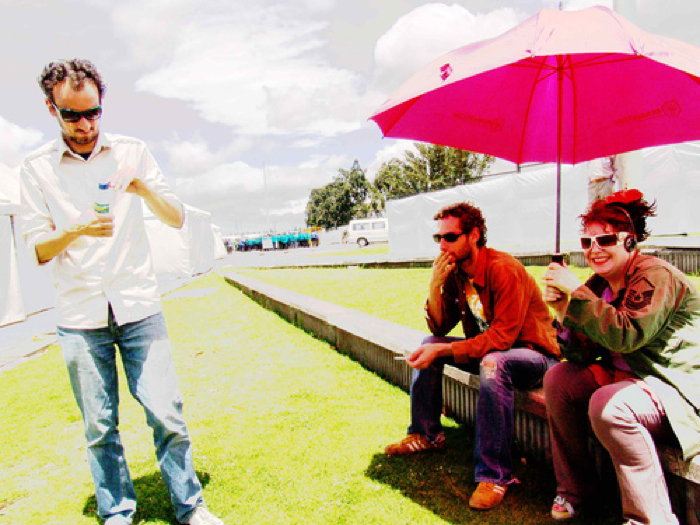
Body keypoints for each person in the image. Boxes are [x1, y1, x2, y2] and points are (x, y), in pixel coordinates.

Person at [19, 59, 224, 525]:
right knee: (99, 426)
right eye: (72, 115)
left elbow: (176, 217)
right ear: (51, 109)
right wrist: (75, 229)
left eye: (93, 112)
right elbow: (36, 249)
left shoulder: (133, 151)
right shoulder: (35, 169)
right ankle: (116, 513)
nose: (85, 125)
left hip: (138, 304)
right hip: (79, 314)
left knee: (166, 411)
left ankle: (190, 506)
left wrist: (142, 188)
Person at [384, 202, 561, 510]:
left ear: (474, 235)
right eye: (438, 238)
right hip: (495, 355)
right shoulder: (457, 274)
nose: (442, 245)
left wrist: (444, 349)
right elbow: (440, 326)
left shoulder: (503, 269)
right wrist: (435, 284)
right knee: (430, 342)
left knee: (493, 361)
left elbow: (502, 339)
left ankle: (495, 475)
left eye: (450, 237)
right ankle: (426, 434)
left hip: (536, 358)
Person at [542, 189, 700, 524]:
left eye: (606, 240)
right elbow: (579, 354)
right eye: (587, 242)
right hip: (628, 381)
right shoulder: (600, 285)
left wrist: (577, 293)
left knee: (609, 405)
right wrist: (562, 309)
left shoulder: (656, 276)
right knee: (558, 378)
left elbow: (626, 336)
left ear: (629, 241)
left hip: (674, 389)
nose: (594, 249)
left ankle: (651, 519)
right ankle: (575, 490)